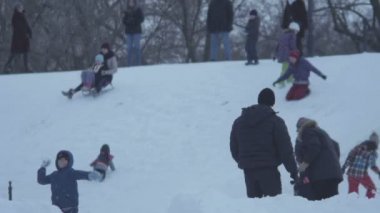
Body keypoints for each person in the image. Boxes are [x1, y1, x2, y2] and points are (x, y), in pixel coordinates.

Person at [230, 88, 298, 198]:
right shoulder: (276, 121)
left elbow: (234, 148)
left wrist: (246, 161)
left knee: (255, 207)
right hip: (269, 171)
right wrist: (294, 172)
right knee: (273, 206)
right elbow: (285, 150)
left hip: (249, 173)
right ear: (272, 102)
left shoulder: (239, 122)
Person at [37, 150, 102, 213]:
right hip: (57, 210)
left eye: (64, 160)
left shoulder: (70, 172)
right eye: (60, 160)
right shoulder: (54, 175)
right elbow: (41, 180)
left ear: (69, 161)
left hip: (71, 209)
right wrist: (42, 167)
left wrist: (89, 175)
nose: (61, 161)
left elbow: (80, 174)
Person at [294, 117, 342, 200]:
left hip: (321, 177)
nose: (297, 132)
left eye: (298, 129)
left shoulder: (307, 131)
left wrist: (305, 163)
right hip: (333, 175)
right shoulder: (322, 133)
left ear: (301, 127)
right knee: (332, 203)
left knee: (321, 204)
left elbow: (314, 146)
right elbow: (336, 146)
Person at [342, 132, 380, 199]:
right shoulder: (373, 153)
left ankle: (352, 205)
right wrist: (378, 172)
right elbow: (373, 166)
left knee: (353, 193)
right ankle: (369, 201)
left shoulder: (359, 147)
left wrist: (344, 167)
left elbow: (350, 157)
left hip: (352, 174)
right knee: (372, 188)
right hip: (362, 175)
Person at [3, 3, 32, 73]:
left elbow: (26, 25)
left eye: (21, 7)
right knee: (14, 54)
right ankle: (7, 67)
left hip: (24, 38)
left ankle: (27, 68)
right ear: (16, 9)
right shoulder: (15, 17)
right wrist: (24, 34)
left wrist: (29, 32)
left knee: (26, 53)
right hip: (17, 38)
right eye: (19, 8)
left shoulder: (23, 16)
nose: (20, 9)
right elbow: (18, 28)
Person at [273, 22, 299, 88]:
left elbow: (278, 46)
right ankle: (281, 82)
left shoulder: (284, 35)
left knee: (288, 68)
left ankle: (289, 80)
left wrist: (275, 55)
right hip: (288, 55)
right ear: (294, 29)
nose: (296, 32)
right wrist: (296, 51)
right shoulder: (292, 35)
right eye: (297, 31)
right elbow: (292, 45)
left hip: (282, 55)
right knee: (285, 69)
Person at [123, 0, 144, 66]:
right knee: (129, 49)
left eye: (132, 2)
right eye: (130, 2)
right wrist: (128, 21)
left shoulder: (138, 10)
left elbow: (142, 19)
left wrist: (135, 21)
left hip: (136, 31)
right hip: (129, 32)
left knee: (137, 48)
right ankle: (129, 65)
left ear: (134, 2)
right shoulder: (126, 11)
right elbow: (123, 20)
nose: (131, 3)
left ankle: (138, 64)